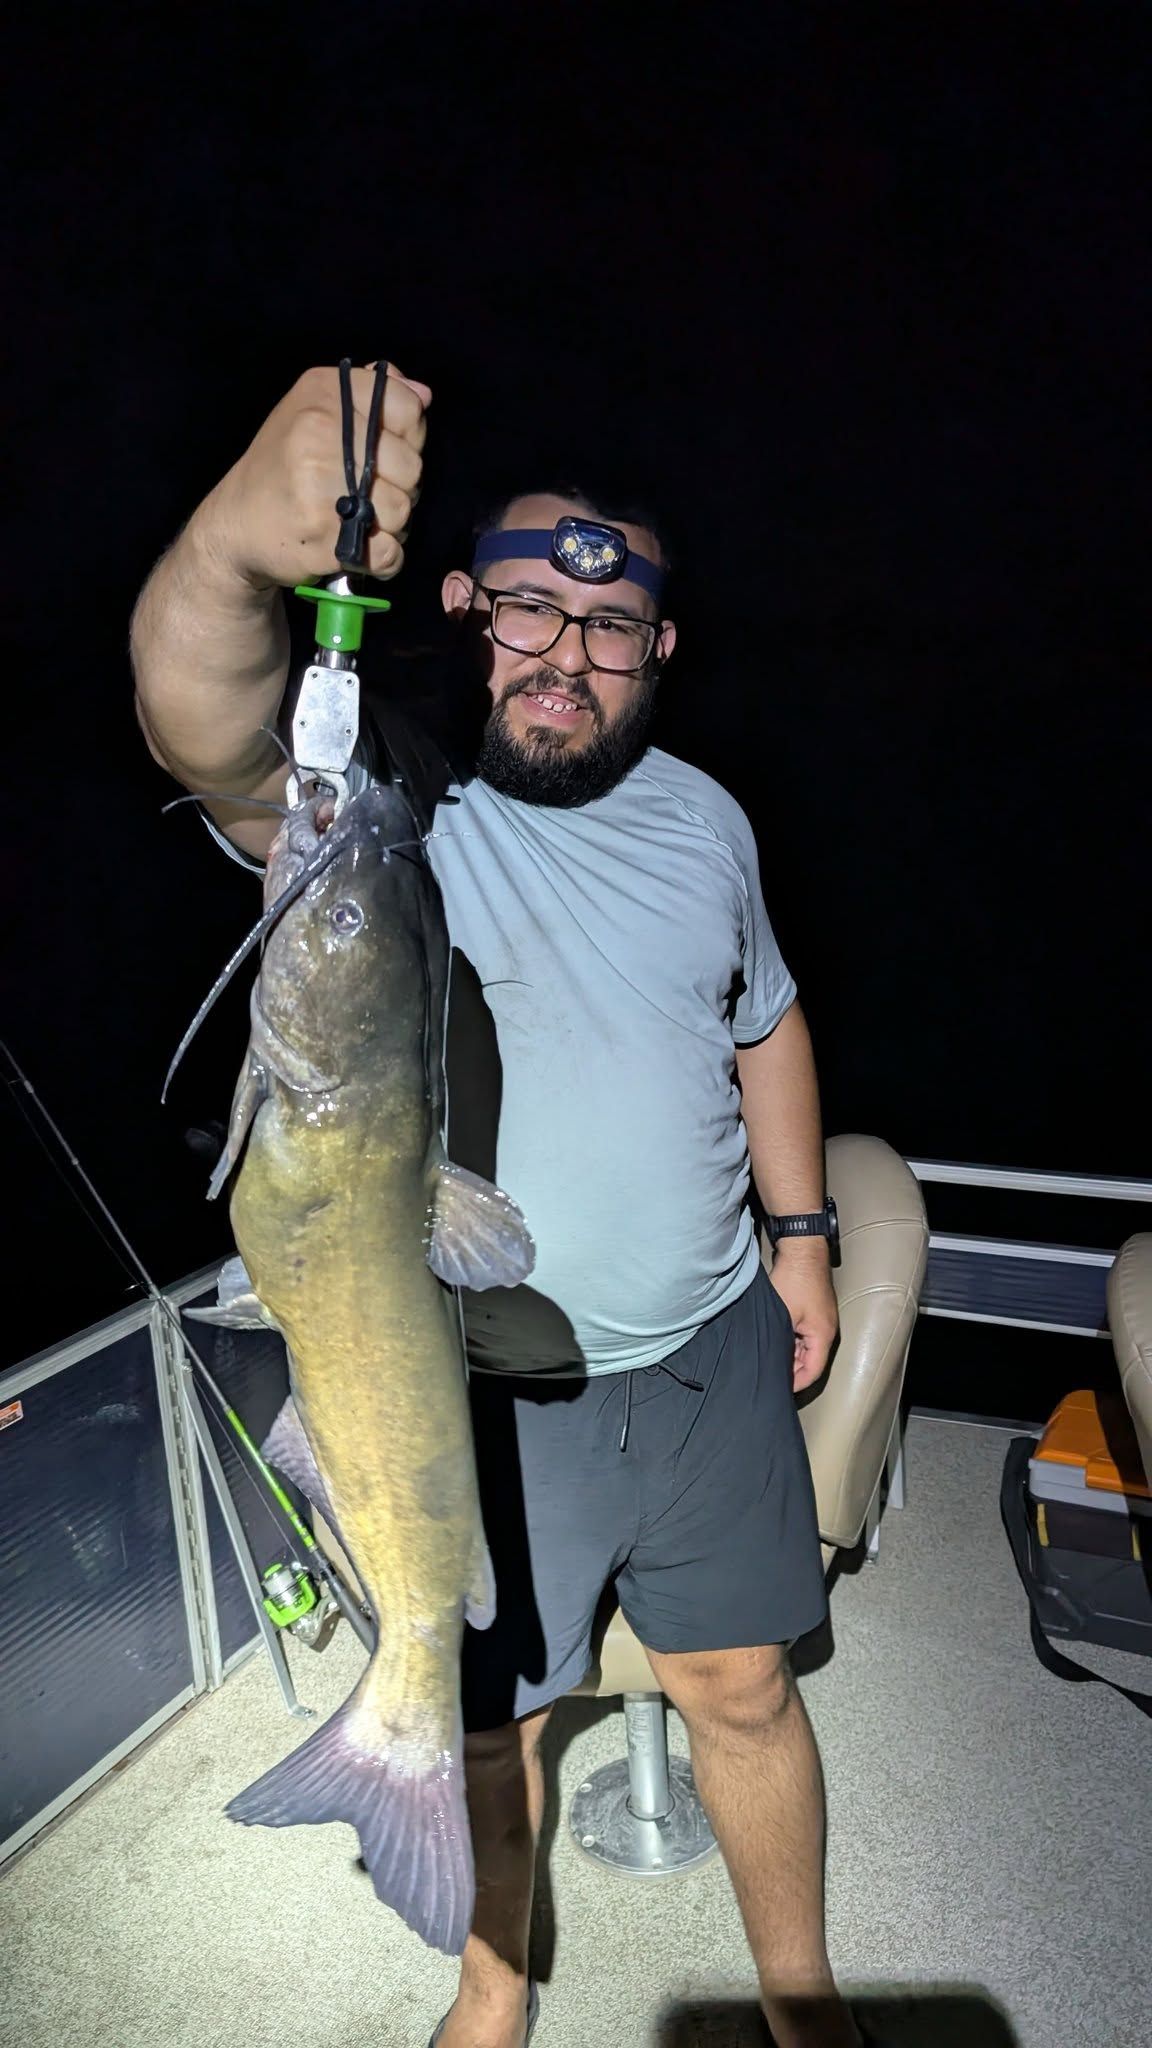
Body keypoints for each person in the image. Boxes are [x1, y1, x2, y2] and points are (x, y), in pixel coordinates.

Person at [132, 365, 865, 2048]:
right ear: (466, 614)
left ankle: (805, 1996)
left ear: (659, 650)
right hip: (489, 1382)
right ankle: (498, 1982)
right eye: (531, 608)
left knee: (745, 1691)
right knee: (492, 1726)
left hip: (706, 1350)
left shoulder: (712, 826)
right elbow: (203, 708)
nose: (567, 654)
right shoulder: (393, 813)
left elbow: (771, 1025)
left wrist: (805, 1241)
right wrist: (239, 545)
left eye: (613, 628)